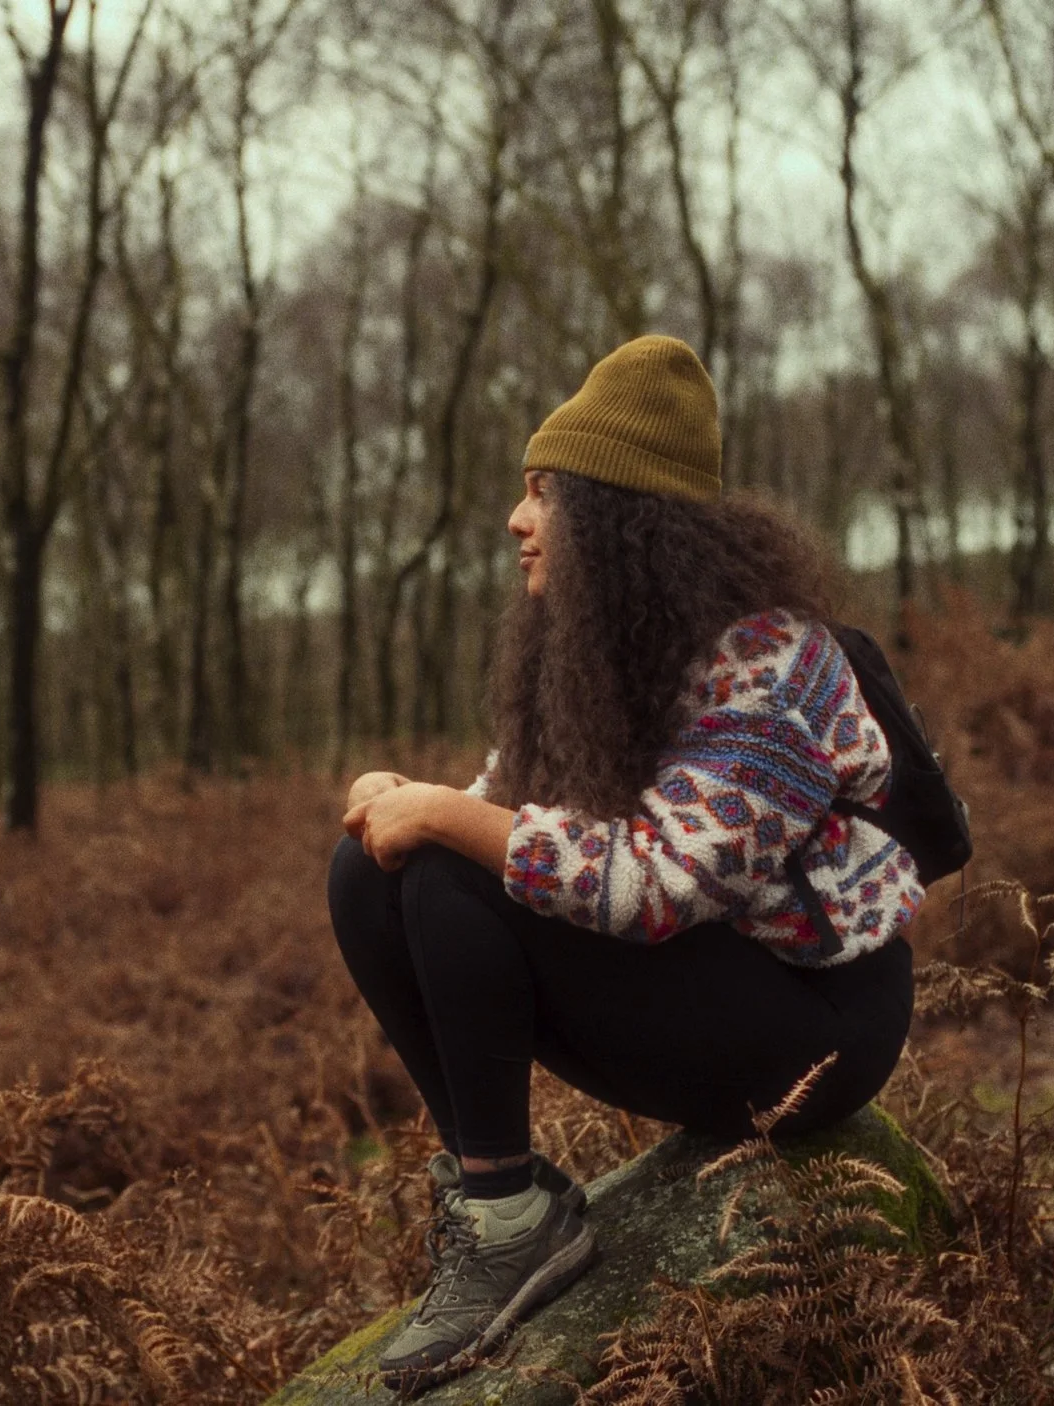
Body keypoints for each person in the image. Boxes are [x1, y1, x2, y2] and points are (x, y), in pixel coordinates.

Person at [327, 334, 923, 1392]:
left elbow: (657, 883)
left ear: (617, 522)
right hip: (704, 997)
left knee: (441, 861)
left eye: (544, 494)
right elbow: (502, 814)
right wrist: (408, 804)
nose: (516, 520)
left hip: (814, 1028)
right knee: (373, 873)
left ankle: (508, 1225)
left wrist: (442, 822)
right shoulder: (600, 656)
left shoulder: (770, 666)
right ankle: (503, 1205)